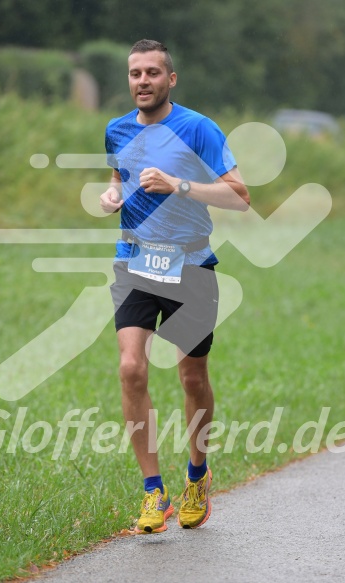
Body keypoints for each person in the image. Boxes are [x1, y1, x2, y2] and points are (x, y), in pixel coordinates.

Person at [100, 39, 250, 534]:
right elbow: (122, 178)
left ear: (171, 79)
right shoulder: (116, 130)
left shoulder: (197, 128)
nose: (142, 81)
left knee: (191, 377)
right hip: (135, 265)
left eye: (152, 73)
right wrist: (113, 193)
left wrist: (180, 184)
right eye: (135, 74)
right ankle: (152, 493)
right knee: (130, 368)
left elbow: (239, 197)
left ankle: (197, 476)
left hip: (191, 269)